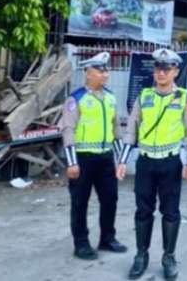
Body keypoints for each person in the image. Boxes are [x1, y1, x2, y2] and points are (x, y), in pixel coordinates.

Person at [116, 48, 187, 281]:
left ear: (175, 72)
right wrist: (122, 160)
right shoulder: (143, 97)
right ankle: (141, 255)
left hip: (170, 163)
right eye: (158, 68)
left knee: (170, 212)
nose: (161, 73)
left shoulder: (184, 97)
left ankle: (168, 257)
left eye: (166, 69)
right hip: (145, 163)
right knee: (143, 210)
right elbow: (131, 131)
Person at [60, 51, 127, 260]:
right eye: (99, 70)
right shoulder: (76, 98)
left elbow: (116, 130)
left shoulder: (110, 97)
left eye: (106, 70)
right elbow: (68, 130)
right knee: (80, 202)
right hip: (82, 159)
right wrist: (72, 162)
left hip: (106, 158)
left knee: (110, 199)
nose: (104, 74)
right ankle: (81, 243)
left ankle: (107, 238)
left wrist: (120, 160)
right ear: (88, 72)